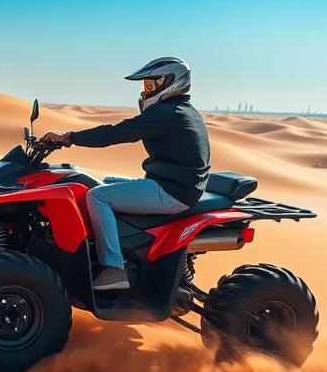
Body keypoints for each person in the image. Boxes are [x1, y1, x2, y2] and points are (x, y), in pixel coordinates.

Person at [41, 57, 210, 291]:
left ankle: (113, 270)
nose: (146, 91)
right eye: (146, 86)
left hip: (172, 192)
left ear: (172, 83)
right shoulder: (184, 110)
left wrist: (69, 137)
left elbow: (116, 133)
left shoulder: (166, 113)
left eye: (151, 85)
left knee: (97, 197)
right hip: (174, 185)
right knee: (103, 183)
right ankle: (125, 247)